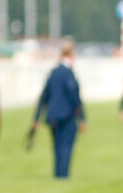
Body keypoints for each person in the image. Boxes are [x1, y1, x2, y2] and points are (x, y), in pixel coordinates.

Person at [32, 40, 85, 179]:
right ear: (72, 55)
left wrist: (36, 118)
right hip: (67, 116)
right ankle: (63, 175)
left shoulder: (53, 72)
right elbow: (75, 96)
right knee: (66, 146)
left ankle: (57, 174)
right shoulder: (69, 73)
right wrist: (82, 118)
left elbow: (44, 96)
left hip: (53, 116)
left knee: (57, 146)